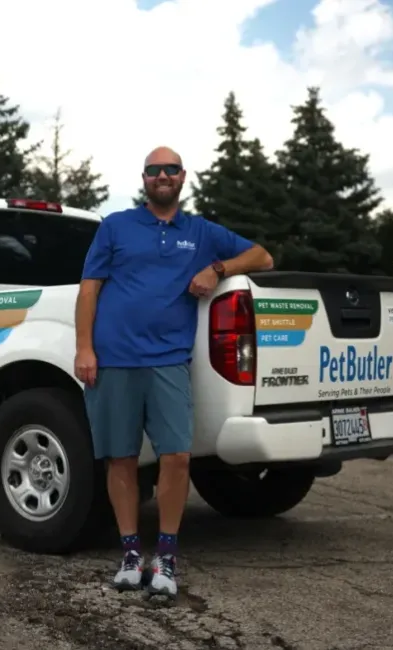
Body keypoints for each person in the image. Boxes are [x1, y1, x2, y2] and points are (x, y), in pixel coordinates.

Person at [74, 146, 274, 598]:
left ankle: (165, 554)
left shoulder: (201, 232)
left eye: (170, 169)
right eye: (153, 170)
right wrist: (85, 348)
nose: (161, 176)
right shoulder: (116, 226)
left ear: (183, 177)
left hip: (168, 360)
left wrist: (217, 268)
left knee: (177, 456)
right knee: (121, 457)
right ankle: (129, 552)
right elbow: (89, 290)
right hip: (114, 358)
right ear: (144, 179)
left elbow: (262, 258)